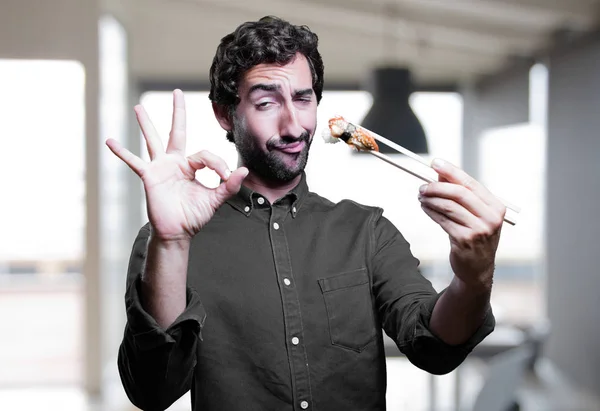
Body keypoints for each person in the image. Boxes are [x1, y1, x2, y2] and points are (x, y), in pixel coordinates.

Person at [106, 15, 503, 411]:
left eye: (303, 98)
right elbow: (152, 392)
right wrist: (173, 244)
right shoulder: (165, 243)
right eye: (266, 103)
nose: (294, 126)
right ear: (226, 115)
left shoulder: (366, 232)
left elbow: (435, 347)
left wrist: (474, 276)